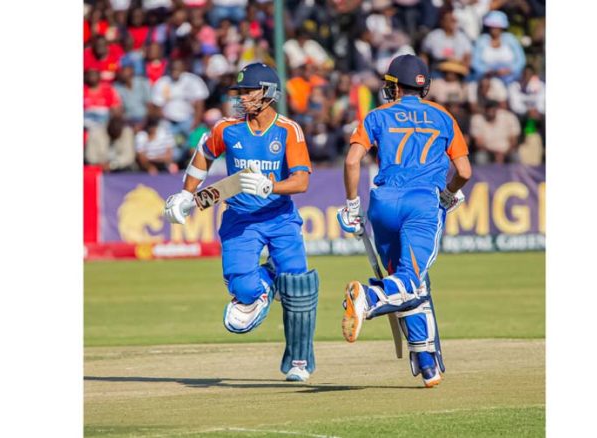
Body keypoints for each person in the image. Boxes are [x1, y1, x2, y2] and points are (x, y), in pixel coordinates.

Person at [163, 63, 319, 382]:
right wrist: (186, 195)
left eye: (249, 91)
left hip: (279, 218)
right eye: (241, 92)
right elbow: (204, 155)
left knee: (299, 286)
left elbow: (301, 181)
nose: (242, 98)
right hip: (239, 220)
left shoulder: (288, 130)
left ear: (269, 93)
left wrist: (270, 186)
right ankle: (266, 282)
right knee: (242, 289)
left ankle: (300, 361)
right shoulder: (227, 128)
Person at [337, 54, 472, 388]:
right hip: (423, 203)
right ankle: (368, 298)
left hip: (383, 203)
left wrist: (352, 204)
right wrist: (448, 194)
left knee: (410, 282)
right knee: (409, 281)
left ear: (395, 86)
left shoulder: (377, 115)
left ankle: (427, 363)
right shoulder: (442, 115)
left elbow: (353, 161)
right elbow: (465, 172)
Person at [471, 10, 526, 84]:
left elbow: (521, 60)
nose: (494, 29)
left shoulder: (510, 39)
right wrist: (487, 71)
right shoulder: (482, 40)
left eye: (497, 27)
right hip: (487, 79)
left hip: (511, 79)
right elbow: (475, 62)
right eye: (492, 26)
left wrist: (509, 70)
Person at [469, 99, 521, 164]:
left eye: (493, 109)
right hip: (488, 152)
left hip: (507, 152)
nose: (490, 112)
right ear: (484, 109)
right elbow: (479, 144)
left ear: (497, 109)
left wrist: (504, 153)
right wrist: (495, 154)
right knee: (480, 157)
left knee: (515, 156)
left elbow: (514, 141)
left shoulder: (509, 117)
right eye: (488, 109)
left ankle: (515, 174)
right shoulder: (477, 119)